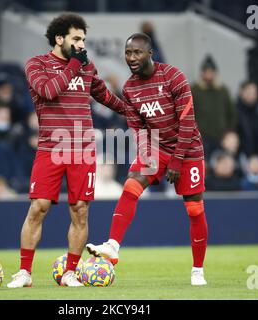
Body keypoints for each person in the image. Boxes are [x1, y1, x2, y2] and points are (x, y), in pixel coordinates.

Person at [7, 13, 125, 288]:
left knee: (80, 210)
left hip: (82, 149)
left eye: (83, 39)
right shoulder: (37, 65)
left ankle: (71, 272)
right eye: (76, 38)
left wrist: (132, 111)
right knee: (39, 207)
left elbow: (104, 95)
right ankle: (24, 272)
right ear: (59, 39)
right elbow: (48, 91)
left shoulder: (86, 67)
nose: (82, 44)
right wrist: (74, 65)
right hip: (51, 146)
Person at [86, 33, 208, 286]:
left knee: (194, 209)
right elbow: (138, 128)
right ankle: (113, 245)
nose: (131, 58)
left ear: (150, 54)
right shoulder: (129, 88)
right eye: (128, 53)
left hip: (188, 149)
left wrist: (176, 161)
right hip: (156, 146)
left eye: (137, 52)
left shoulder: (174, 77)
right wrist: (146, 156)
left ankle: (197, 270)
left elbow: (187, 123)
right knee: (132, 183)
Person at [191, 55, 237, 158]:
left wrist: (229, 132)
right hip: (201, 138)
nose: (209, 74)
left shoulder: (222, 91)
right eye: (207, 71)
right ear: (202, 73)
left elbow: (231, 113)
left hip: (221, 137)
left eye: (211, 71)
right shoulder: (194, 91)